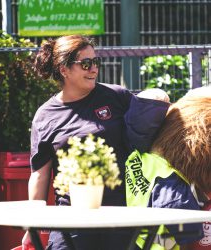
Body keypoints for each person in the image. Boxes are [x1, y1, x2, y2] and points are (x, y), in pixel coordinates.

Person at [22, 35, 170, 250]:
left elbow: (148, 133)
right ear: (64, 69)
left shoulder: (116, 96)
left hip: (122, 215)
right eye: (86, 64)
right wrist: (31, 226)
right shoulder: (45, 116)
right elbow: (39, 174)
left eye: (95, 62)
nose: (94, 69)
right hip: (71, 218)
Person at [125, 86, 211, 249]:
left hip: (140, 236)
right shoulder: (167, 177)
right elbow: (183, 219)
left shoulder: (137, 156)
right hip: (163, 243)